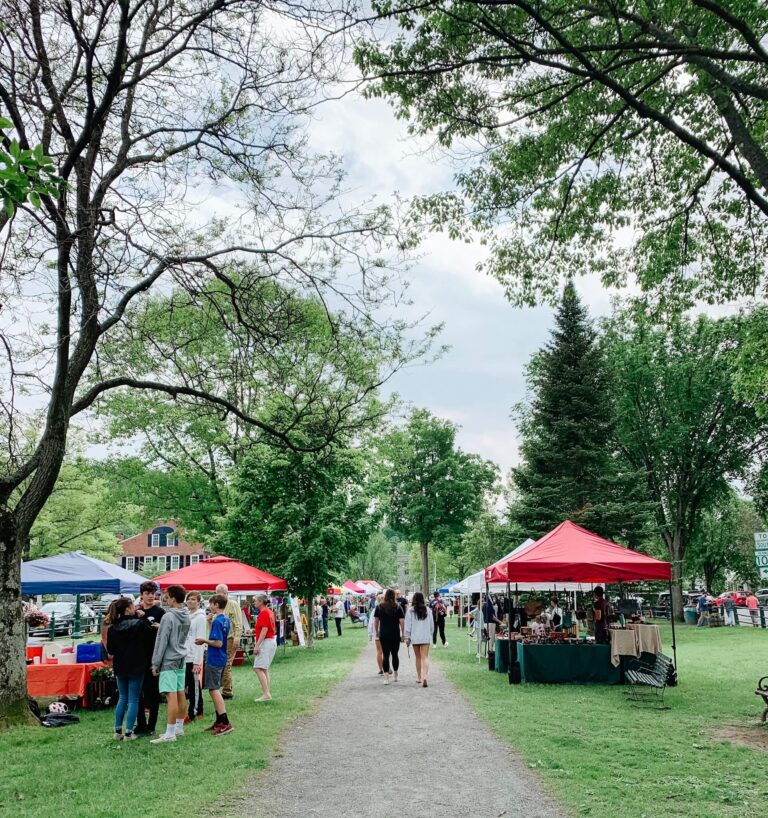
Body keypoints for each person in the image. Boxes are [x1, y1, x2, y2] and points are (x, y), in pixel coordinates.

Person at [105, 597, 155, 740]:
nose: (135, 607)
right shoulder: (139, 624)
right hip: (137, 664)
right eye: (133, 606)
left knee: (122, 697)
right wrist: (143, 618)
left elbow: (111, 650)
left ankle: (117, 730)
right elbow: (151, 637)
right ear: (128, 609)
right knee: (133, 699)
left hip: (120, 665)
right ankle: (128, 732)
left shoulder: (113, 627)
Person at [150, 584, 190, 744]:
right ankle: (179, 728)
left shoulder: (168, 616)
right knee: (180, 693)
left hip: (169, 659)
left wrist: (155, 663)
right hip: (181, 657)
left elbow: (162, 641)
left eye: (167, 597)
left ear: (173, 598)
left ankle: (170, 733)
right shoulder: (186, 615)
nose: (165, 599)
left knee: (170, 695)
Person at [195, 593, 234, 735]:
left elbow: (218, 643)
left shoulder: (218, 621)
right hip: (221, 658)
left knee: (213, 689)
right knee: (214, 688)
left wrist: (203, 641)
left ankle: (225, 721)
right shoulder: (225, 619)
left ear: (216, 604)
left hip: (214, 659)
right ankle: (219, 721)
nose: (209, 606)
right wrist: (210, 623)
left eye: (211, 604)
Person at [134, 581, 165, 736]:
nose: (151, 596)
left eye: (153, 593)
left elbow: (164, 634)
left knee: (152, 693)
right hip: (138, 656)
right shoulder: (135, 612)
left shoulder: (160, 612)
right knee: (137, 693)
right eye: (147, 593)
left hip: (153, 656)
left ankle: (151, 726)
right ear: (141, 595)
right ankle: (140, 723)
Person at [215, 583, 243, 700]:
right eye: (217, 593)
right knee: (221, 664)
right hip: (220, 639)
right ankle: (224, 687)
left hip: (230, 638)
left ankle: (227, 691)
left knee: (227, 664)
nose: (218, 595)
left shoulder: (233, 604)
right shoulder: (217, 605)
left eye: (221, 593)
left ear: (226, 593)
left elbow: (238, 622)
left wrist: (237, 637)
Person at [185, 591, 207, 721]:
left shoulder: (200, 617)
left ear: (198, 602)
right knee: (188, 685)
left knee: (194, 686)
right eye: (189, 599)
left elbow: (200, 639)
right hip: (185, 655)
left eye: (193, 599)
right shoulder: (187, 615)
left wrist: (197, 661)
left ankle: (196, 711)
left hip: (194, 656)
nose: (190, 601)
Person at [375, 589, 405, 684]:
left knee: (386, 655)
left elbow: (376, 621)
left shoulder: (379, 607)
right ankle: (395, 674)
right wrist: (403, 633)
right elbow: (402, 621)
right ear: (394, 596)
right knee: (395, 654)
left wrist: (376, 632)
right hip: (395, 634)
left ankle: (386, 677)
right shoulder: (398, 607)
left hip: (384, 634)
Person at [404, 591, 433, 688]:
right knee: (425, 657)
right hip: (425, 636)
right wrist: (431, 633)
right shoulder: (428, 610)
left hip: (415, 637)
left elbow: (408, 625)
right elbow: (431, 624)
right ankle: (425, 676)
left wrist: (407, 637)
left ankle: (419, 677)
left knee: (418, 657)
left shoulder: (410, 611)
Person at [252, 594, 277, 701]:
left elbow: (264, 629)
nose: (254, 602)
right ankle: (267, 692)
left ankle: (266, 694)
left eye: (256, 601)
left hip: (266, 642)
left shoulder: (264, 613)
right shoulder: (269, 612)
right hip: (270, 641)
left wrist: (257, 645)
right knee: (264, 668)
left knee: (258, 668)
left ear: (261, 602)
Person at [368, 593, 385, 675]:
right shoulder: (387, 609)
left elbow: (371, 623)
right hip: (381, 632)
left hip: (378, 633)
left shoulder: (375, 610)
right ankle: (384, 668)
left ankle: (382, 669)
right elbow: (371, 623)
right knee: (384, 651)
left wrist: (370, 635)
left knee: (380, 651)